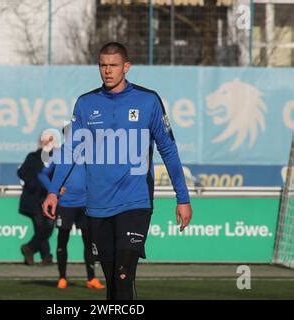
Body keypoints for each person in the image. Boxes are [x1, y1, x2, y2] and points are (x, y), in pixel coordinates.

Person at [42, 42, 193, 300]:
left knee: (124, 274)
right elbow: (70, 150)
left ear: (126, 67)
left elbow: (168, 149)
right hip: (98, 206)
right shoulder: (86, 103)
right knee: (112, 280)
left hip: (135, 202)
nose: (107, 71)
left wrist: (183, 197)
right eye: (103, 65)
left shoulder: (148, 101)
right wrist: (53, 191)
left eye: (113, 65)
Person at [38, 140, 105, 290]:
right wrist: (53, 190)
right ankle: (62, 278)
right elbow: (42, 175)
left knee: (89, 242)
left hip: (85, 205)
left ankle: (91, 278)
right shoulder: (60, 154)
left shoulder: (89, 153)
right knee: (62, 241)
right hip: (65, 205)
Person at [17, 129, 59, 266]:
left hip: (49, 198)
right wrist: (33, 183)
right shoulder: (33, 157)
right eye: (45, 140)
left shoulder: (57, 158)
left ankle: (30, 248)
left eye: (50, 140)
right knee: (41, 227)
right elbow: (22, 172)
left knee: (47, 227)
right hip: (34, 200)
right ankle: (45, 256)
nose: (47, 143)